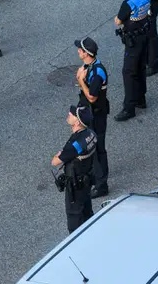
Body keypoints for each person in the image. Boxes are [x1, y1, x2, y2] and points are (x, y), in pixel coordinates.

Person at [51, 106, 98, 234]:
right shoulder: (91, 134)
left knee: (74, 216)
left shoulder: (75, 144)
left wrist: (60, 154)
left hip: (75, 185)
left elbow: (55, 161)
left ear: (77, 122)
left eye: (71, 114)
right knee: (87, 211)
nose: (69, 114)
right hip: (86, 179)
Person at [114, 0, 151, 122]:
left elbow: (118, 21)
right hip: (144, 36)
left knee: (128, 72)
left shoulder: (129, 3)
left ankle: (129, 107)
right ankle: (141, 99)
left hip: (133, 41)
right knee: (140, 67)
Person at [74, 37, 110, 198]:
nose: (78, 52)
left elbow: (92, 97)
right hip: (89, 113)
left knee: (98, 148)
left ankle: (102, 185)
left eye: (80, 50)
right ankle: (95, 175)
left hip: (96, 114)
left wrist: (81, 80)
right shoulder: (88, 66)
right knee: (90, 146)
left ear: (86, 53)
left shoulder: (97, 73)